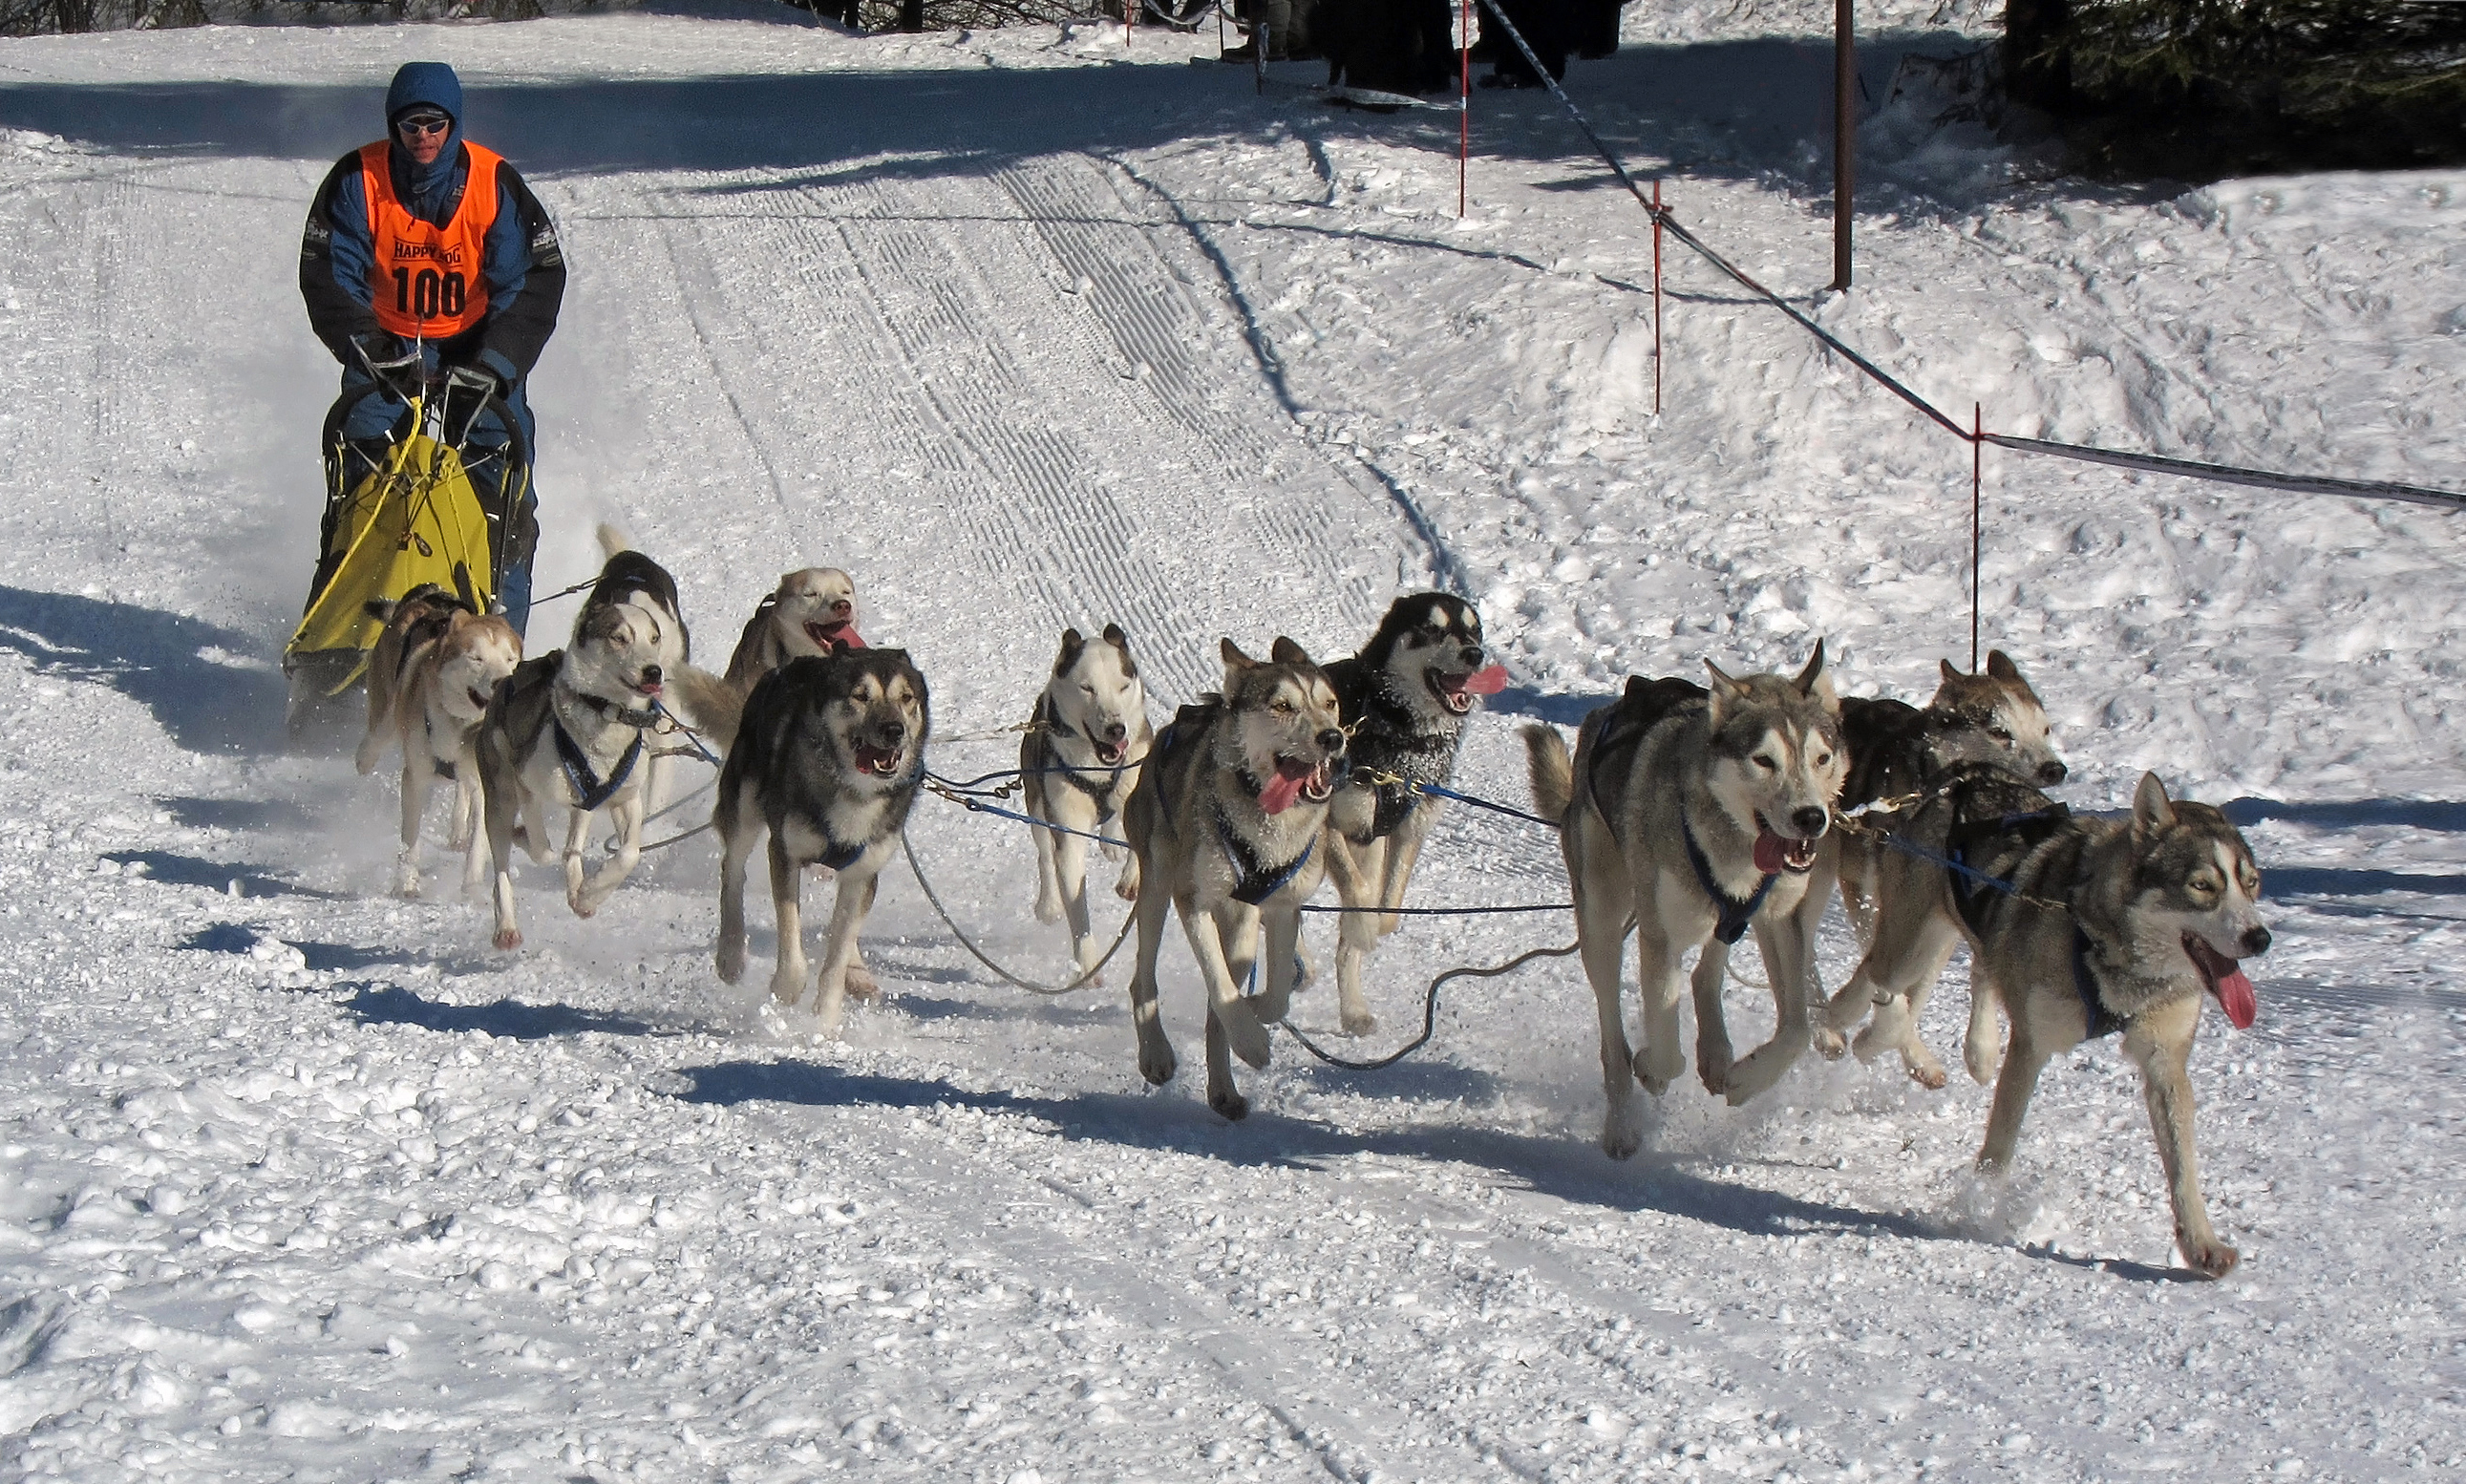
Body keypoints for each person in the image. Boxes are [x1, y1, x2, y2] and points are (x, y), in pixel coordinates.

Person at [298, 61, 565, 639]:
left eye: (434, 124)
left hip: (477, 350)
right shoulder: (357, 179)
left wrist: (494, 365)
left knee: (506, 498)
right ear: (393, 127)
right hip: (387, 349)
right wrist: (368, 346)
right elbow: (328, 273)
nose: (422, 137)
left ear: (453, 124)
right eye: (410, 125)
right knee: (360, 489)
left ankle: (501, 641)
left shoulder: (493, 183)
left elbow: (536, 280)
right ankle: (341, 630)